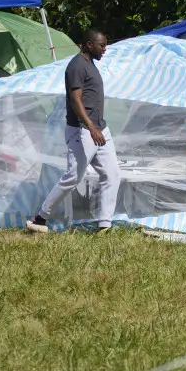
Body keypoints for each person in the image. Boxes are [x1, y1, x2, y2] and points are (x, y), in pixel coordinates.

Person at [26, 29, 120, 234]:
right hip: (82, 131)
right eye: (101, 45)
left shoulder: (90, 64)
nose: (105, 49)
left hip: (100, 128)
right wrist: (91, 127)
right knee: (72, 178)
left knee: (112, 174)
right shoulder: (76, 66)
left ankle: (104, 225)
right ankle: (40, 218)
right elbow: (75, 101)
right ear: (88, 44)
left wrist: (98, 127)